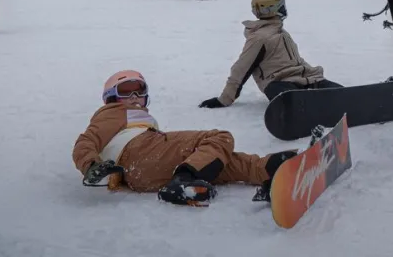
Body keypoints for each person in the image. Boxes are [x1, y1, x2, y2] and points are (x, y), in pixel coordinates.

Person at [74, 70, 297, 206]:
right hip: (142, 151)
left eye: (139, 91)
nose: (134, 97)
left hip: (143, 177)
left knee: (214, 160)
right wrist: (91, 166)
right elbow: (86, 141)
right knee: (219, 138)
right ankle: (184, 178)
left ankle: (270, 168)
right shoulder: (113, 113)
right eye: (126, 91)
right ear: (111, 97)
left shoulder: (138, 119)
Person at [199, 0, 341, 108]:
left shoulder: (280, 32)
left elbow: (296, 60)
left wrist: (313, 76)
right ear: (275, 10)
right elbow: (241, 68)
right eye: (282, 5)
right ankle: (303, 109)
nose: (285, 8)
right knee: (290, 97)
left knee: (338, 92)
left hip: (307, 77)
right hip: (279, 82)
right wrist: (224, 99)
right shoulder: (260, 38)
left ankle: (342, 102)